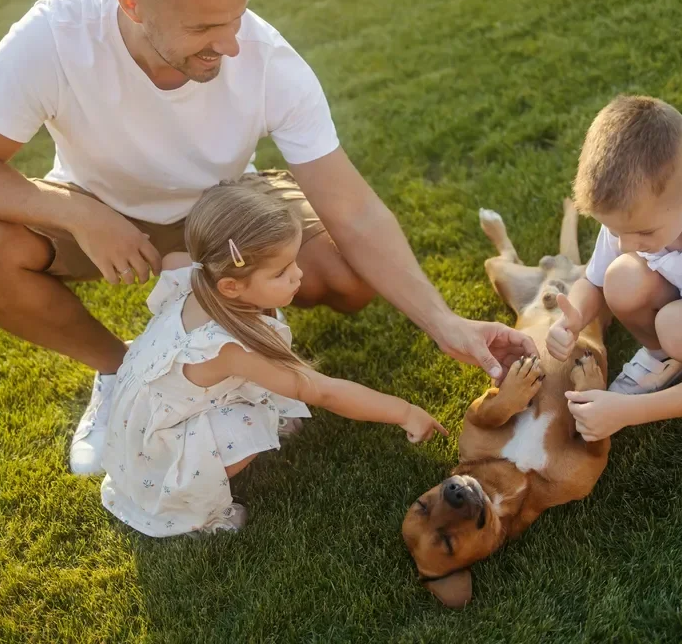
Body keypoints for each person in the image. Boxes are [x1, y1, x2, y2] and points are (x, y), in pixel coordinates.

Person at [0, 0, 536, 475]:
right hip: (98, 205)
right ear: (132, 5)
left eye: (236, 18)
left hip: (226, 208)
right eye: (203, 27)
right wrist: (78, 214)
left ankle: (244, 334)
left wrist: (443, 322)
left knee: (349, 278)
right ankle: (124, 371)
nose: (229, 44)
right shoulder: (57, 34)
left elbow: (355, 210)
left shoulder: (265, 59)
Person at [101, 182, 446, 536]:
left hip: (142, 415)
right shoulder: (229, 348)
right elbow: (321, 391)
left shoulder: (194, 272)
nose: (298, 274)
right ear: (231, 286)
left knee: (266, 377)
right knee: (250, 421)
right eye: (281, 272)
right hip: (155, 453)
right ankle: (193, 509)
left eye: (293, 262)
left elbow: (173, 260)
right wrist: (404, 412)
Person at [546, 95, 682, 464]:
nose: (625, 244)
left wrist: (627, 412)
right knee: (621, 278)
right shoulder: (637, 216)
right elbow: (594, 282)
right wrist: (573, 318)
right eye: (615, 231)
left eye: (642, 233)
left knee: (680, 327)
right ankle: (663, 357)